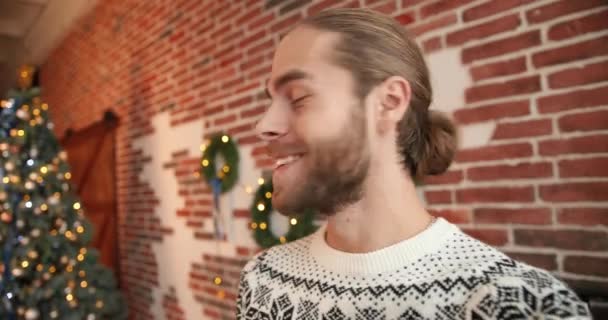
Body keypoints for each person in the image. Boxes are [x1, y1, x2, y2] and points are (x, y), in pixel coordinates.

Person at [237, 8, 590, 320]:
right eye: (271, 101)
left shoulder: (519, 305)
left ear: (389, 102)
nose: (264, 125)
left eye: (298, 97)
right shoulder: (262, 279)